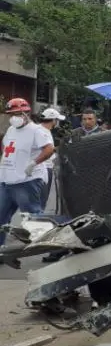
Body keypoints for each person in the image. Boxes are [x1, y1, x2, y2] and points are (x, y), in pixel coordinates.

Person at [0, 98, 54, 247]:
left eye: (16, 113)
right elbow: (6, 145)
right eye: (11, 114)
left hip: (26, 181)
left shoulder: (36, 130)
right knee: (1, 218)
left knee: (33, 217)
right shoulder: (11, 130)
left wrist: (34, 163)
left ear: (25, 113)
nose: (13, 117)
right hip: (7, 181)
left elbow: (49, 149)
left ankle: (50, 246)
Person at [37, 108, 65, 211]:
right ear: (53, 120)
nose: (57, 122)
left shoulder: (41, 129)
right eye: (57, 120)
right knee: (41, 200)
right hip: (43, 168)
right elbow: (46, 151)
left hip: (41, 167)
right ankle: (35, 222)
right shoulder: (43, 132)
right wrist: (59, 149)